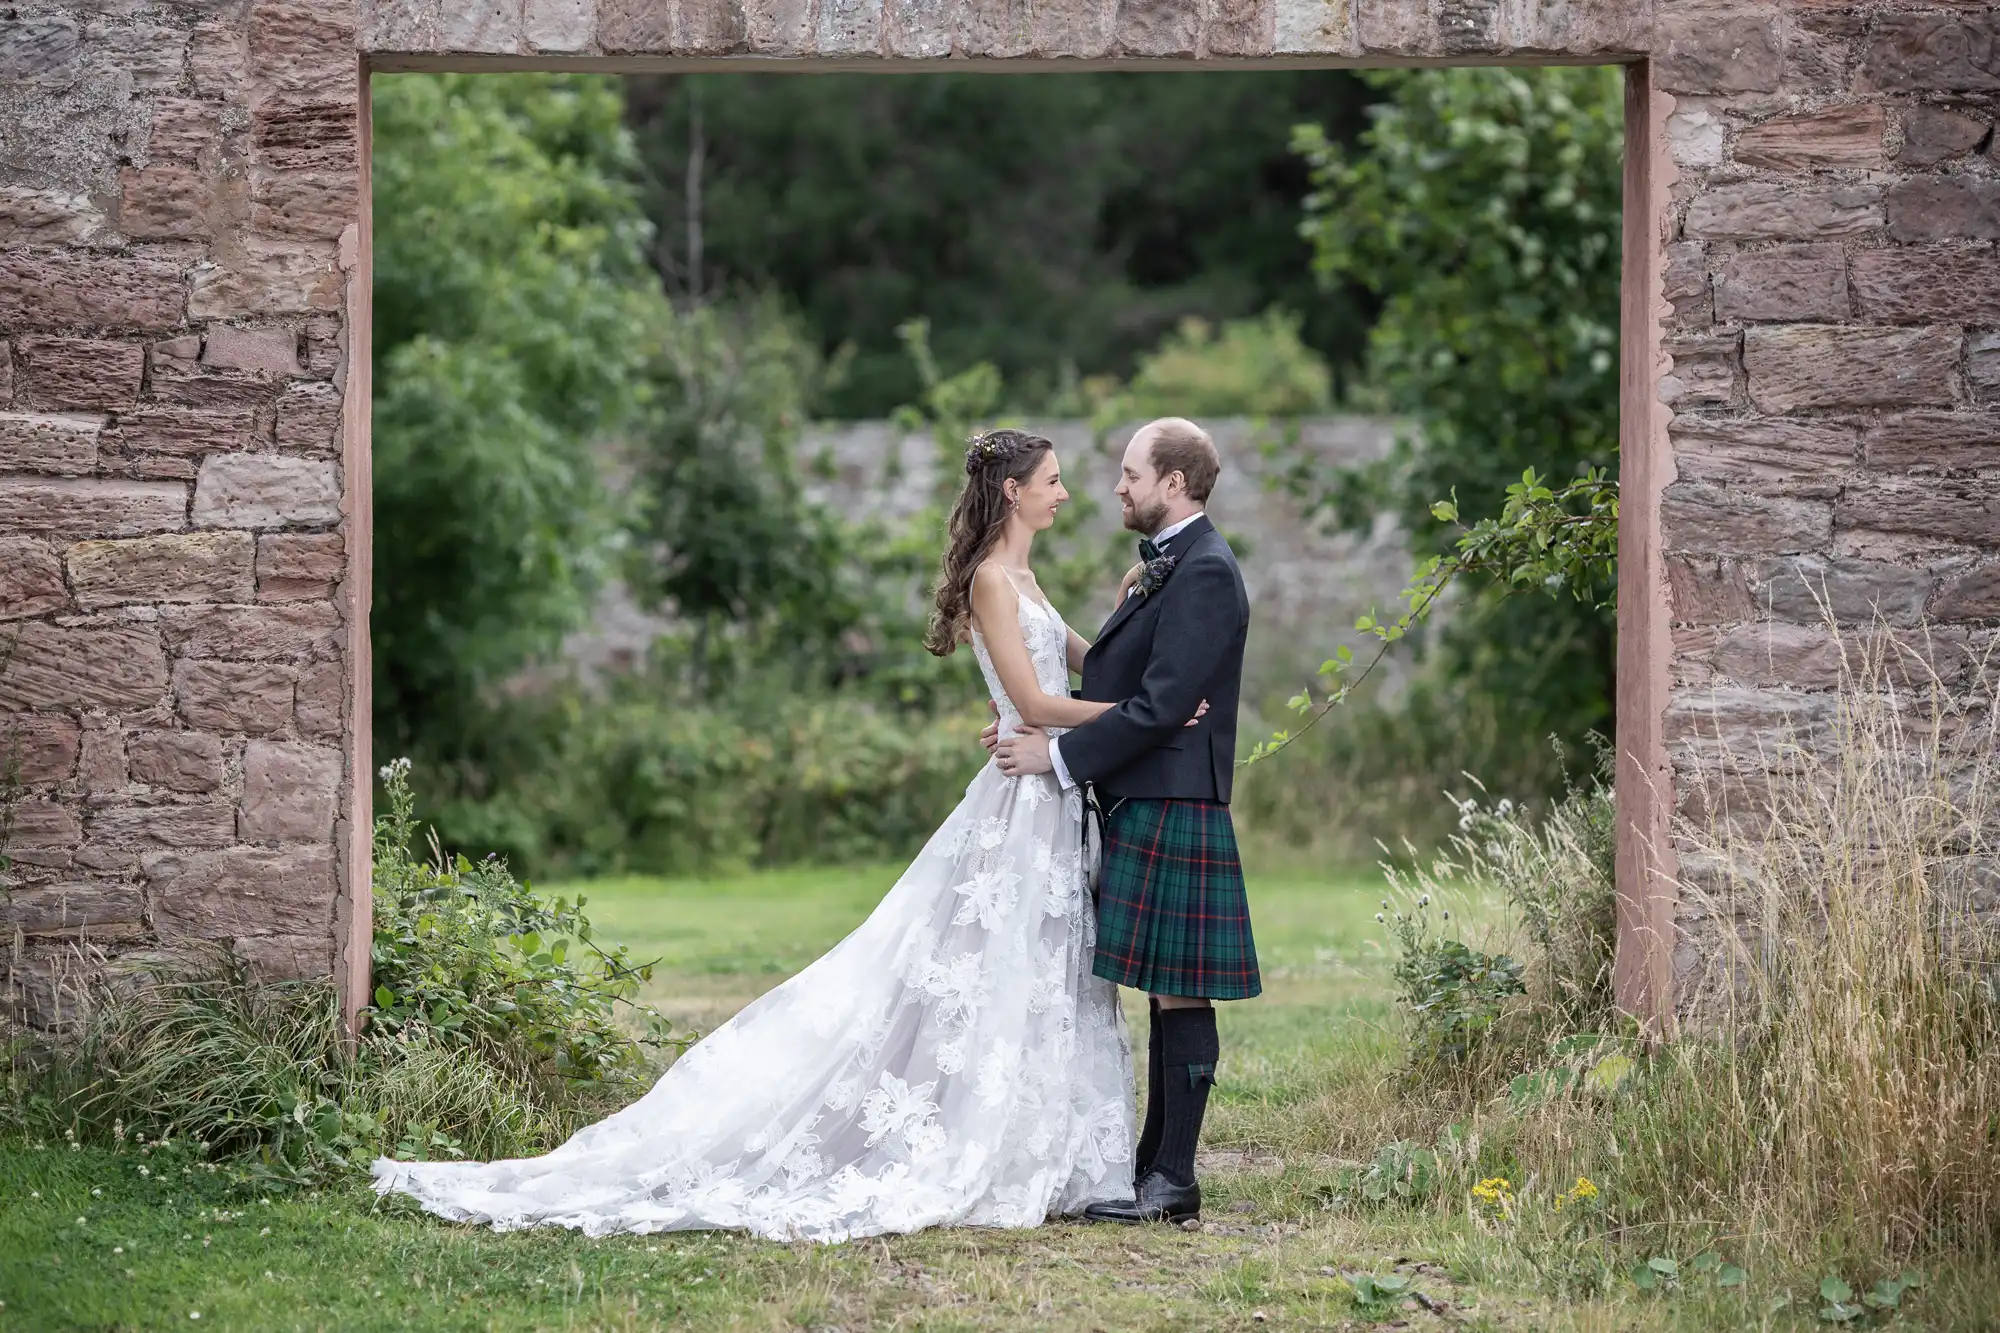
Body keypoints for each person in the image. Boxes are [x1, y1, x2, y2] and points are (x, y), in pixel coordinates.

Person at [371, 428, 1202, 1243]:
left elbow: (1087, 665)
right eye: (1053, 479)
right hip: (1023, 795)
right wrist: (1155, 717)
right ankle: (956, 1134)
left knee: (1040, 967)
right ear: (1014, 490)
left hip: (1050, 796)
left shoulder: (1026, 574)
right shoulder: (991, 578)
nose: (1067, 492)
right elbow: (1039, 705)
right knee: (970, 965)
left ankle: (1048, 1145)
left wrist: (1138, 621)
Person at [992, 416, 1258, 1225]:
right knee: (1161, 990)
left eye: (1131, 471)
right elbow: (1119, 678)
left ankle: (1173, 1180)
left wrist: (1060, 757)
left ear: (1174, 481)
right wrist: (1036, 717)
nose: (1116, 485)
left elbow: (1166, 705)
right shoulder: (1163, 569)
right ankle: (1155, 1167)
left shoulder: (1206, 570)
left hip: (1176, 795)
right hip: (1149, 790)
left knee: (1181, 990)